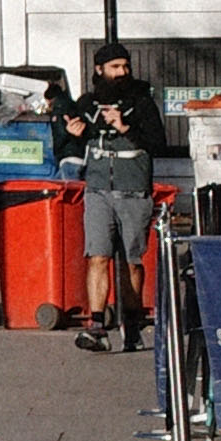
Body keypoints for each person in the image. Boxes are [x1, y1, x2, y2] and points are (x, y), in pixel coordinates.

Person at [58, 44, 155, 354]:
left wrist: (124, 125)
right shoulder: (86, 103)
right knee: (97, 256)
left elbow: (158, 142)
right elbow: (69, 144)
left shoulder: (141, 100)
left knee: (131, 260)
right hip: (97, 188)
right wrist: (74, 134)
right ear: (99, 69)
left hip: (132, 188)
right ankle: (97, 326)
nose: (122, 72)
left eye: (125, 66)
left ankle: (132, 323)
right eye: (115, 67)